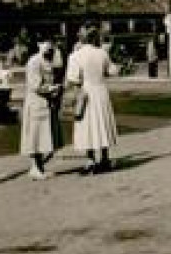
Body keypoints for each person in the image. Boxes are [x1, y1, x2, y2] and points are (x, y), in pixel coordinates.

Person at [67, 26, 119, 175]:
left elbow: (72, 78)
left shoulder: (75, 56)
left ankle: (90, 159)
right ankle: (104, 158)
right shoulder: (102, 53)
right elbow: (112, 71)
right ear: (96, 39)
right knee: (102, 122)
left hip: (85, 92)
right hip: (101, 91)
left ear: (82, 39)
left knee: (87, 125)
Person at [19, 40, 62, 180]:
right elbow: (35, 85)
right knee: (35, 136)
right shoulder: (34, 62)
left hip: (46, 103)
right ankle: (34, 167)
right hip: (36, 102)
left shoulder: (48, 61)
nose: (50, 51)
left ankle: (40, 167)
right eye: (48, 48)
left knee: (44, 136)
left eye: (51, 48)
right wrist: (53, 88)